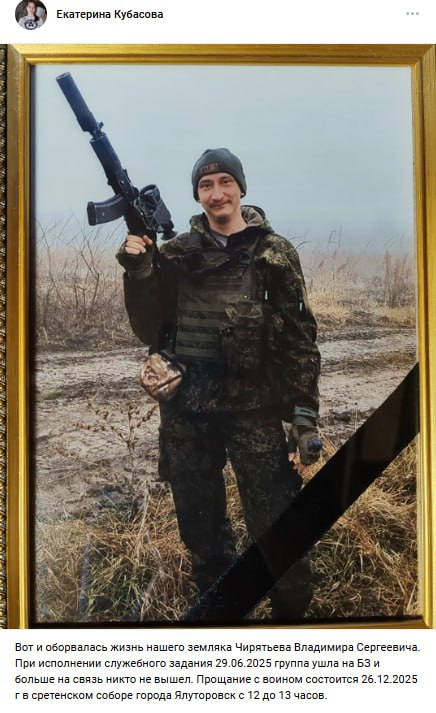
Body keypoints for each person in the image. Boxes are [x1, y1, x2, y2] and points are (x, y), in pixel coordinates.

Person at [117, 148, 322, 621]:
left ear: (241, 188)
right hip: (188, 413)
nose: (216, 193)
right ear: (197, 195)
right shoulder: (174, 254)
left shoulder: (274, 253)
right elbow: (149, 330)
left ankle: (292, 627)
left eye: (225, 182)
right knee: (202, 533)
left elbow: (299, 339)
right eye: (206, 186)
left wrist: (303, 413)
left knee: (278, 529)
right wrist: (139, 270)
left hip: (255, 410)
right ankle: (222, 620)